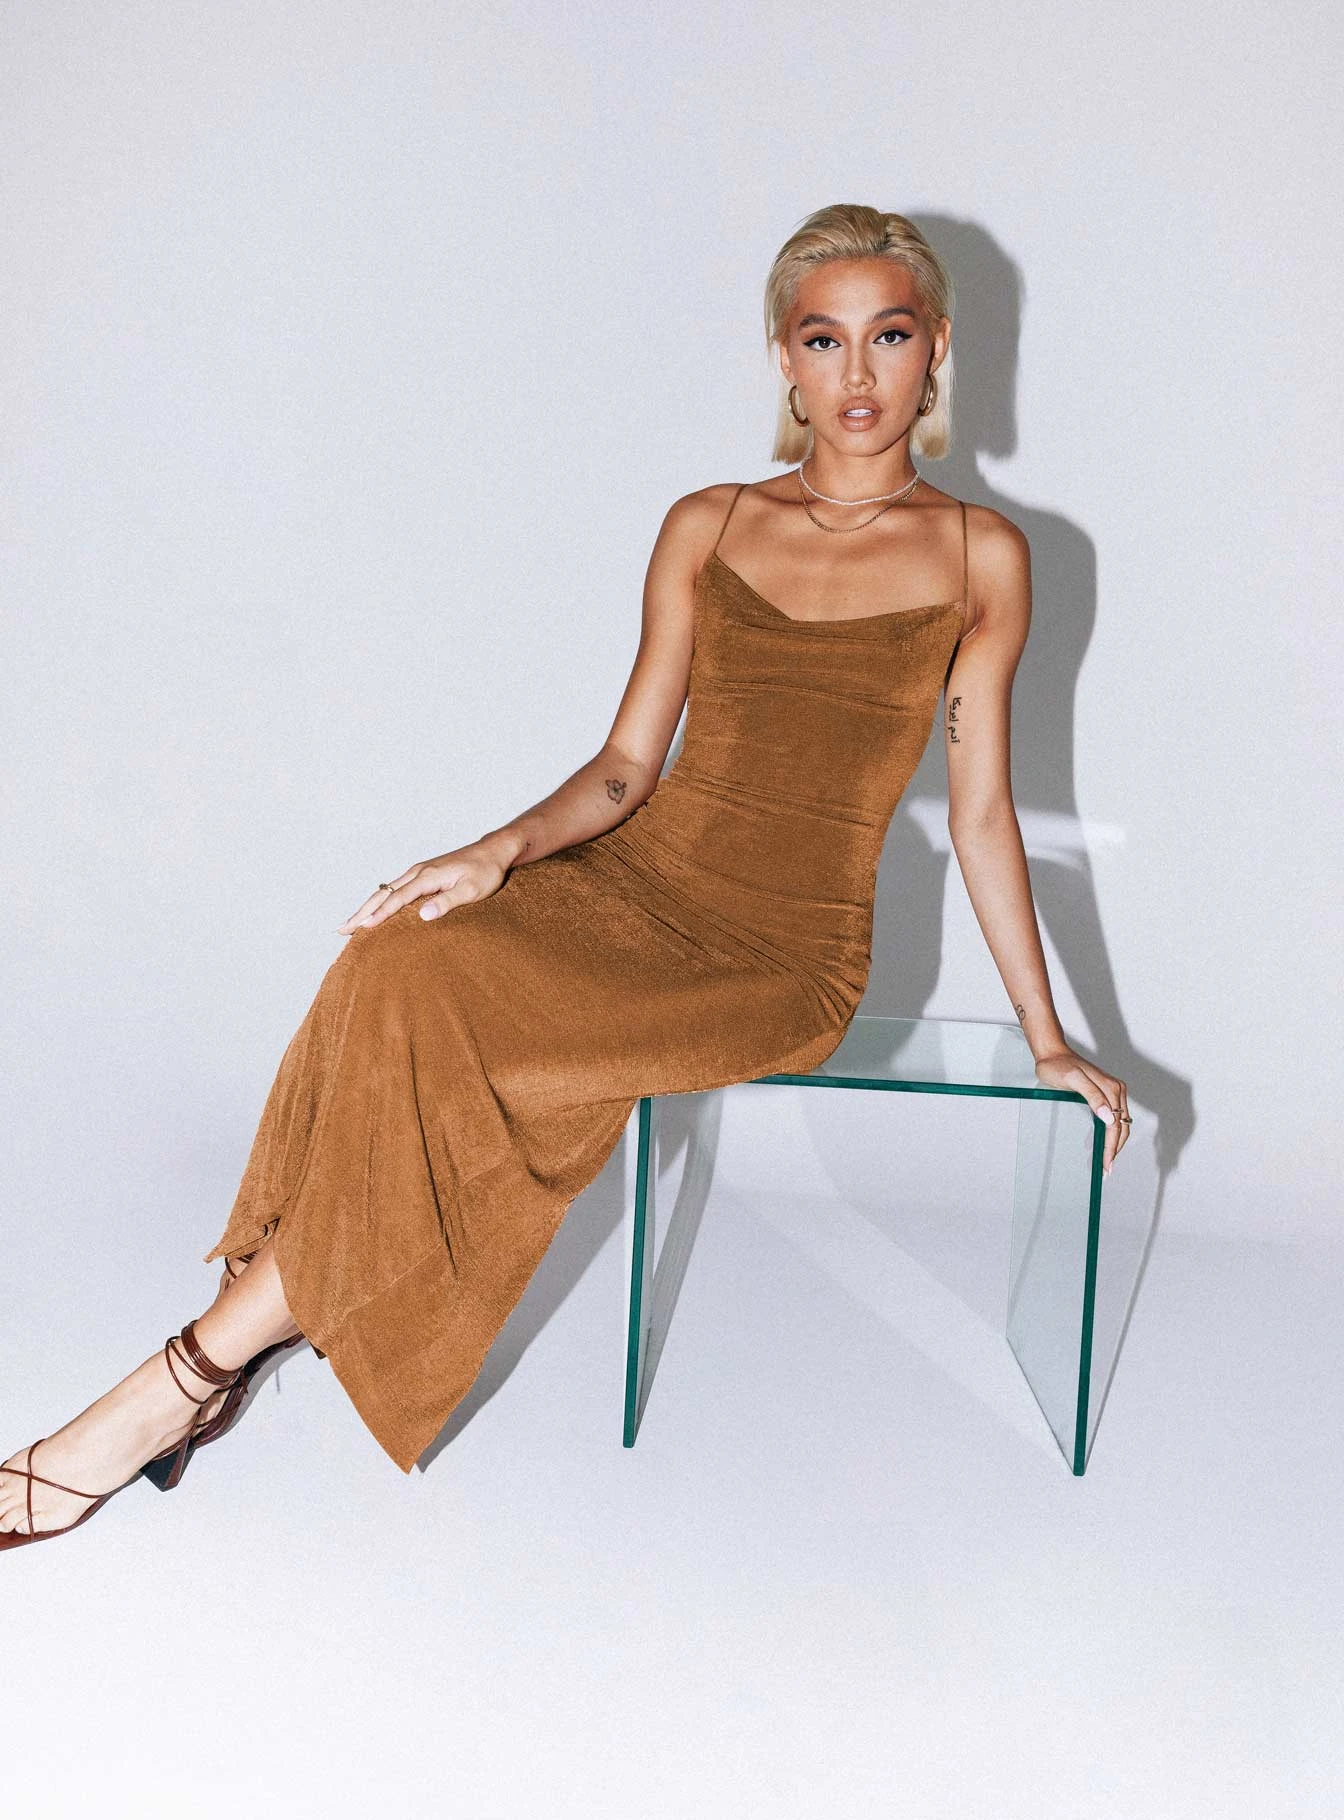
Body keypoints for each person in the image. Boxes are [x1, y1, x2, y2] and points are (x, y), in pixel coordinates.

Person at [1, 202, 1130, 1548]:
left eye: (888, 336)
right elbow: (625, 767)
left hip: (784, 955)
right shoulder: (708, 524)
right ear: (784, 358)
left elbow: (985, 814)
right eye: (825, 339)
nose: (858, 373)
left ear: (935, 346)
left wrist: (1047, 1037)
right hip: (634, 881)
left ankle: (172, 1388)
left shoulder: (982, 555)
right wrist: (496, 850)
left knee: (478, 1054)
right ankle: (212, 1368)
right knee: (402, 959)